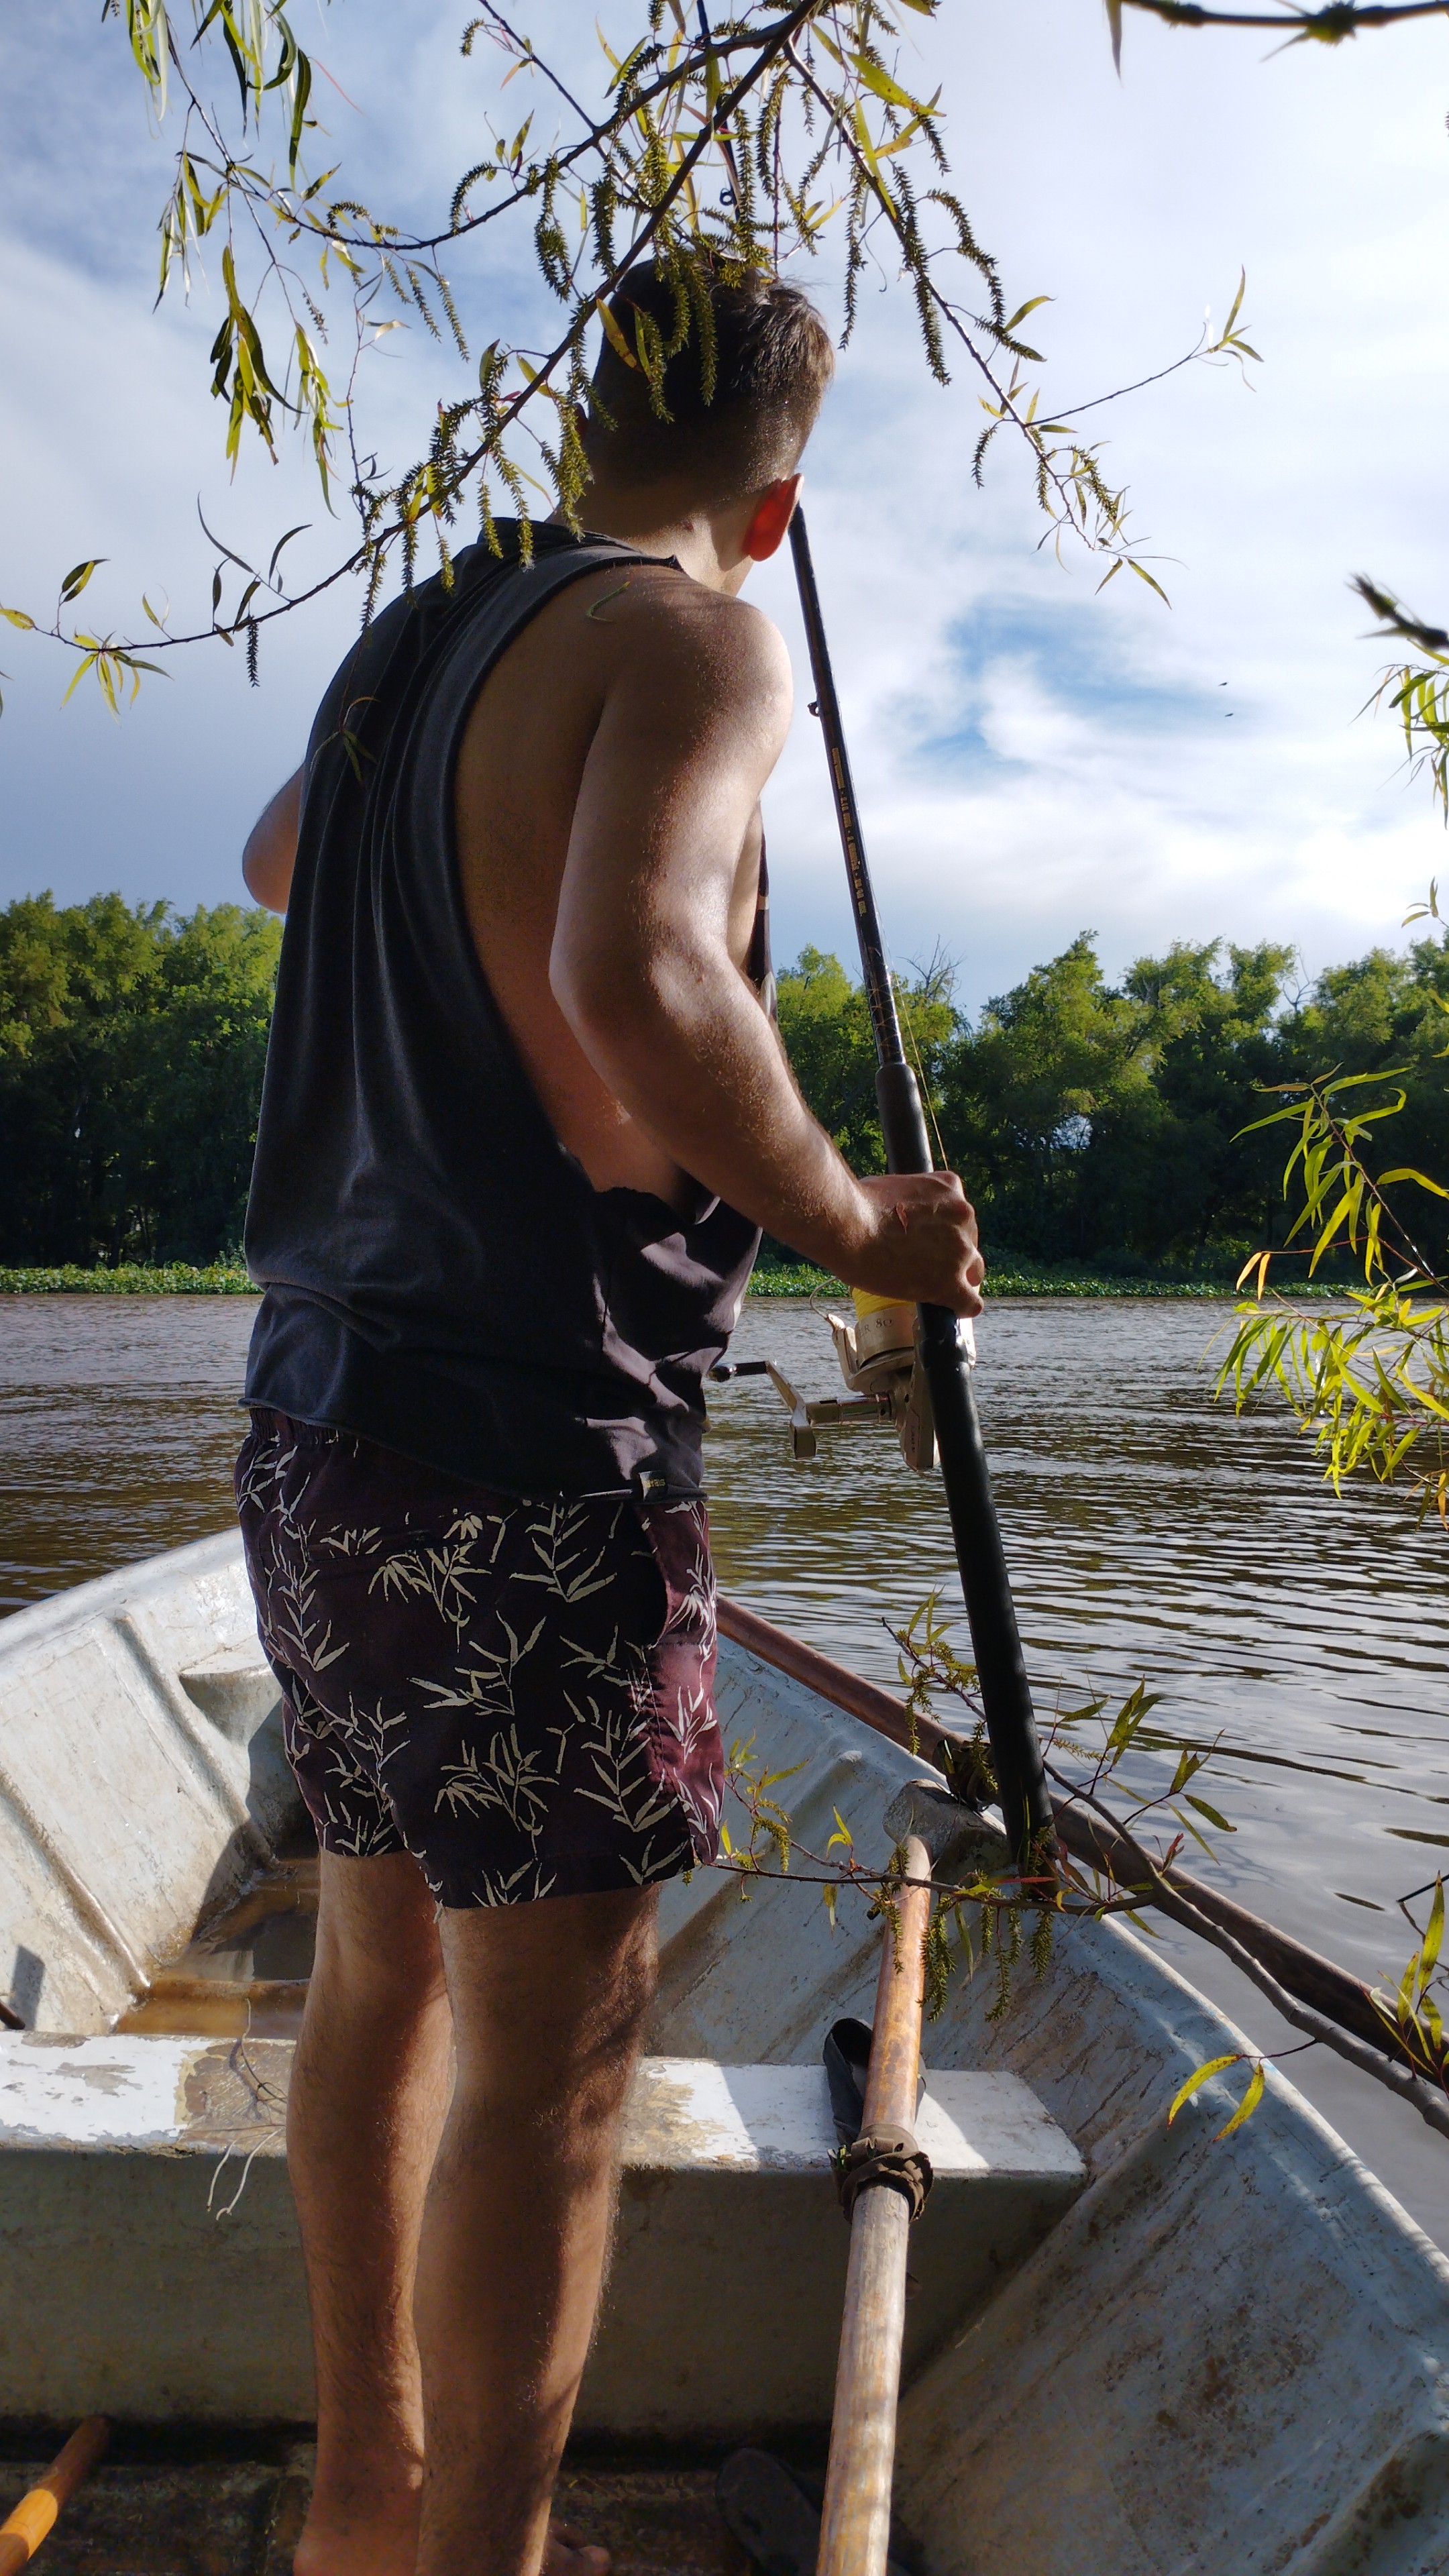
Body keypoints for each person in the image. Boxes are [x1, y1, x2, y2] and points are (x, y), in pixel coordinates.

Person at [237, 258, 985, 2576]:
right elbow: (636, 969)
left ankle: (366, 2503)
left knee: (378, 1974)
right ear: (780, 499)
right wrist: (859, 1224)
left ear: (584, 428)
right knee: (552, 2073)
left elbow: (277, 862)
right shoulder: (696, 633)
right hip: (526, 1449)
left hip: (318, 1424)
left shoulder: (423, 637)